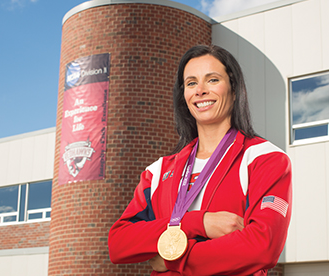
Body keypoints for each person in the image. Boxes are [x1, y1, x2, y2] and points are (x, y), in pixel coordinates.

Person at [108, 44, 292, 276]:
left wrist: (174, 259)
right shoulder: (158, 171)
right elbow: (118, 243)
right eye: (191, 83)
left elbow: (263, 247)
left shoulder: (266, 159)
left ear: (234, 90)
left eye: (212, 80)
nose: (200, 90)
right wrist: (197, 223)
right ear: (183, 95)